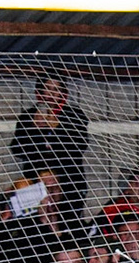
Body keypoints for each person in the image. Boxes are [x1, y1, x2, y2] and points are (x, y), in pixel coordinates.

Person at [10, 76, 91, 216]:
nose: (52, 94)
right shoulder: (28, 116)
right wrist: (34, 130)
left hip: (68, 180)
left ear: (63, 93)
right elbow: (17, 148)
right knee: (35, 220)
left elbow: (80, 146)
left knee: (68, 219)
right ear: (40, 92)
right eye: (48, 89)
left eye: (56, 89)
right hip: (36, 179)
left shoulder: (73, 115)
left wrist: (57, 129)